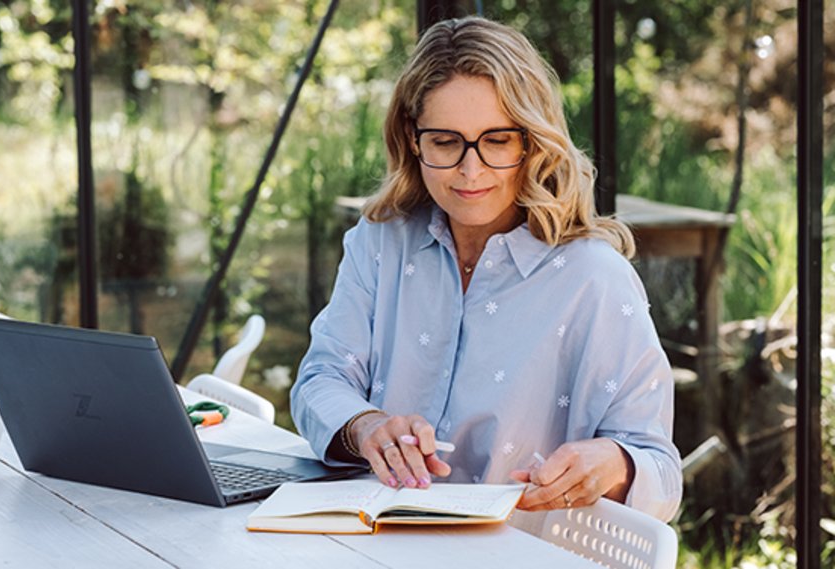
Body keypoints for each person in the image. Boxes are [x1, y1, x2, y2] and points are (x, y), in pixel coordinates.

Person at [289, 15, 682, 533]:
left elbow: (660, 469)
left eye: (497, 141)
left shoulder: (594, 279)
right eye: (446, 142)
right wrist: (367, 427)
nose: (470, 172)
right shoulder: (380, 243)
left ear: (531, 142)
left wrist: (614, 463)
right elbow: (321, 379)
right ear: (413, 138)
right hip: (375, 546)